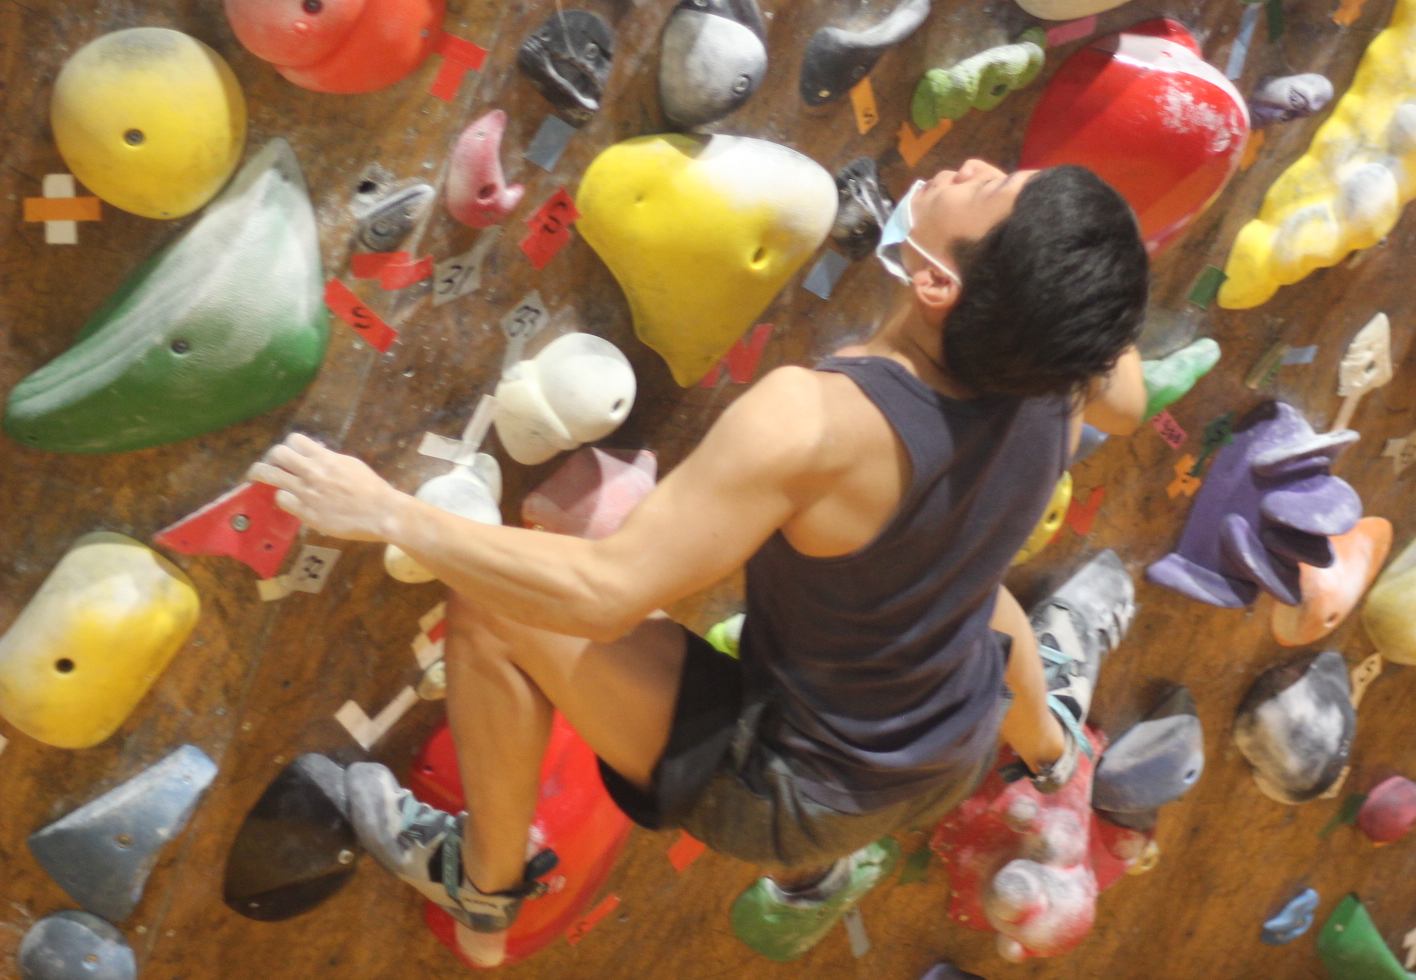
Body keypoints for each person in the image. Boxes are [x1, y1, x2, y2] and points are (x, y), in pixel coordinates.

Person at [251, 159, 1152, 964]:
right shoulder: (1067, 377)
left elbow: (603, 594)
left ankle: (482, 888)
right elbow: (1131, 395)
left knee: (495, 602)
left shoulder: (817, 425)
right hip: (950, 742)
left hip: (794, 790)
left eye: (990, 188)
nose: (974, 165)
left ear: (937, 282)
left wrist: (387, 512)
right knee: (974, 592)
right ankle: (1048, 753)